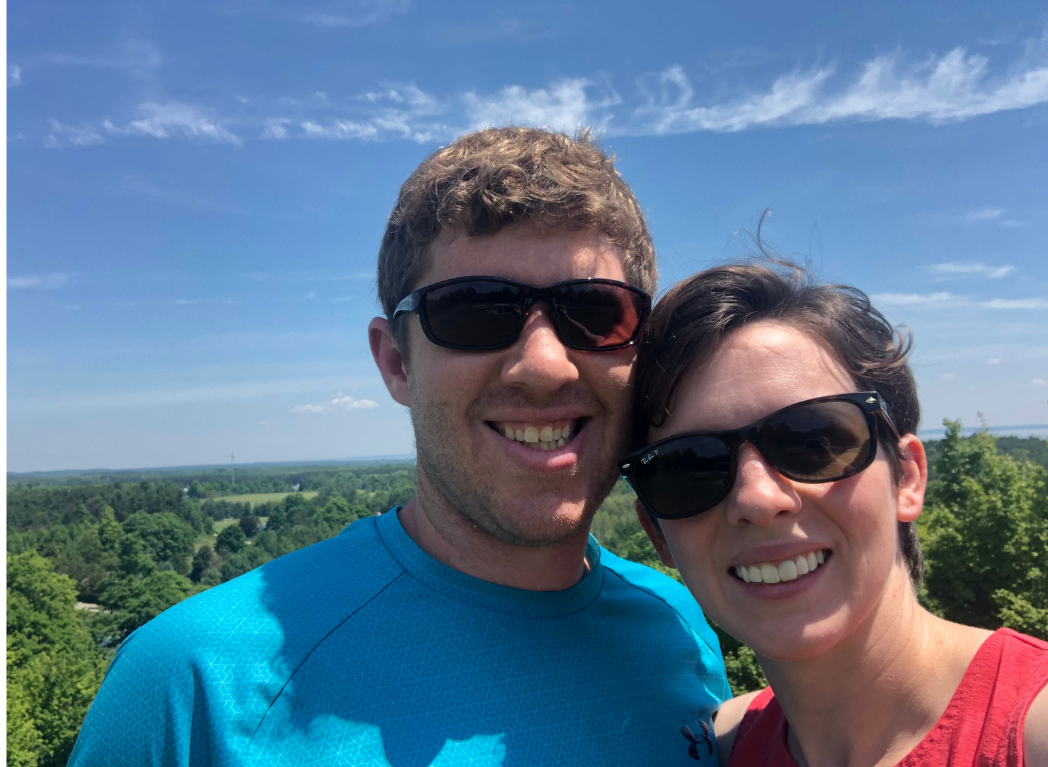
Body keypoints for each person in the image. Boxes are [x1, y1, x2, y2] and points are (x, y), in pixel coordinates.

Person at [69, 127, 730, 767]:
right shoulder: (191, 683)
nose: (544, 365)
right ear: (395, 363)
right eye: (475, 310)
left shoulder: (679, 623)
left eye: (595, 312)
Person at [620, 260, 1048, 766]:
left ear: (907, 477)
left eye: (813, 441)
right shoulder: (717, 746)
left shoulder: (1030, 731)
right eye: (689, 468)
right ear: (658, 535)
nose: (758, 499)